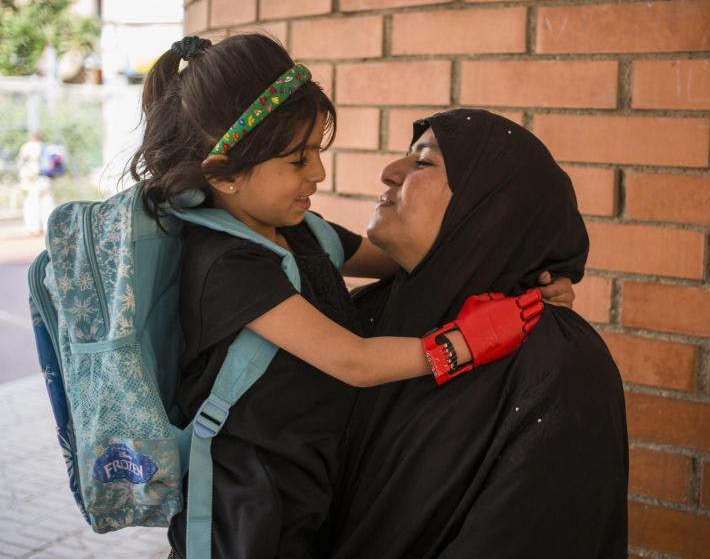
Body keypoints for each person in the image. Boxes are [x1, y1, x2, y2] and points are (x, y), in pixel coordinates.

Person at [130, 34, 552, 559]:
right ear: (226, 174)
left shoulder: (304, 231)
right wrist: (463, 343)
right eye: (297, 160)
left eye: (316, 152)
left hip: (305, 475)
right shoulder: (226, 265)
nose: (318, 173)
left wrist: (524, 277)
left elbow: (408, 260)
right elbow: (353, 362)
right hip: (244, 504)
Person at [330, 109, 629, 558]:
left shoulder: (560, 367)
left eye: (423, 162)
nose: (389, 173)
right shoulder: (362, 317)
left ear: (488, 209)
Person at [17, 131, 56, 235]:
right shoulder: (48, 147)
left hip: (33, 178)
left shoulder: (27, 147)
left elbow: (22, 163)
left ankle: (34, 228)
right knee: (47, 202)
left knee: (32, 202)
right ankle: (48, 226)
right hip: (47, 177)